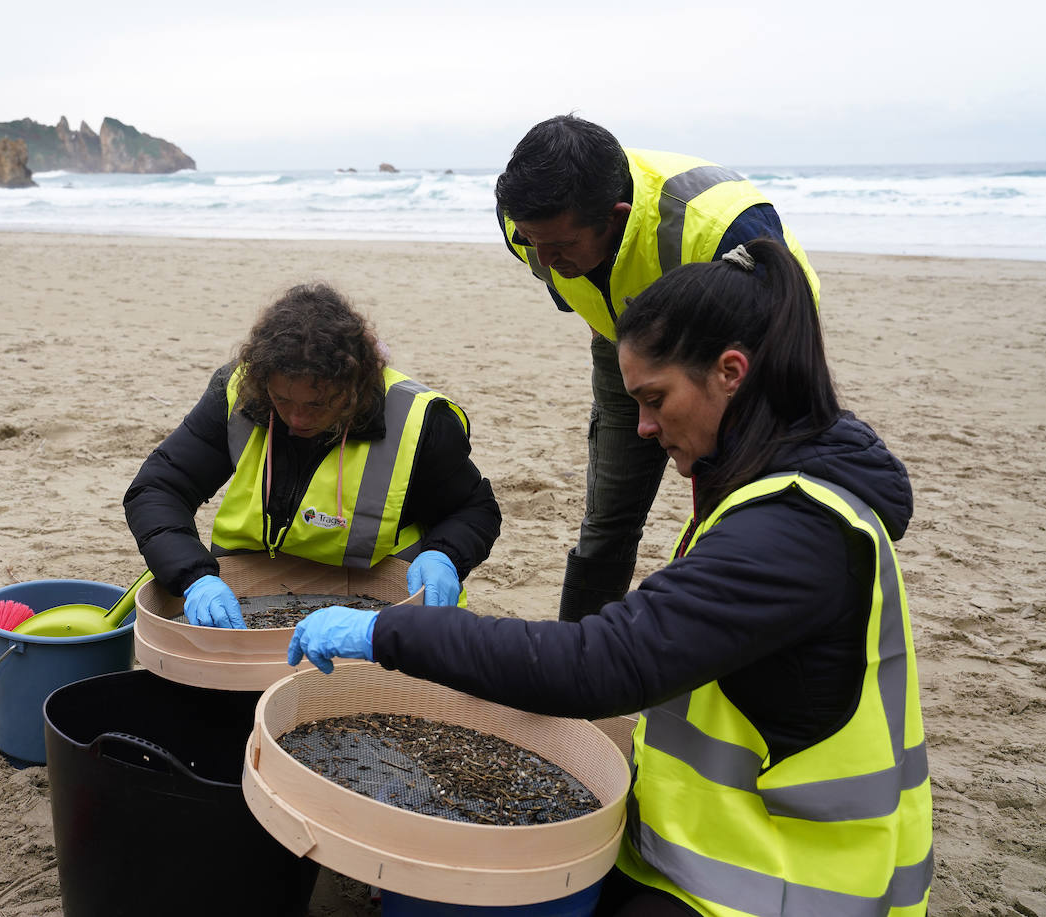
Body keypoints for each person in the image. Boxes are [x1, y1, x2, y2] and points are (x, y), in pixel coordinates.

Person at [288, 239, 932, 916]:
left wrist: (390, 631)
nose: (646, 428)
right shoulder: (772, 486)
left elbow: (602, 663)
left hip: (784, 885)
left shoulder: (791, 533)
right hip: (709, 847)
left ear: (730, 371)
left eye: (655, 399)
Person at [494, 114, 820, 622]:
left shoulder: (718, 227)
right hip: (623, 338)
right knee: (607, 520)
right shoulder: (526, 222)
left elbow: (777, 334)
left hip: (750, 353)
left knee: (732, 509)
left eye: (560, 247)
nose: (545, 258)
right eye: (534, 241)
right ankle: (580, 664)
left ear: (617, 217)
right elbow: (577, 285)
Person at [123, 282, 502, 628]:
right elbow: (158, 488)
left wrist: (444, 557)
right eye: (283, 399)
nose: (297, 418)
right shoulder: (238, 391)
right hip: (248, 600)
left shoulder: (418, 420)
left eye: (319, 403)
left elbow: (473, 509)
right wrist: (194, 576)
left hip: (381, 614)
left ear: (355, 386)